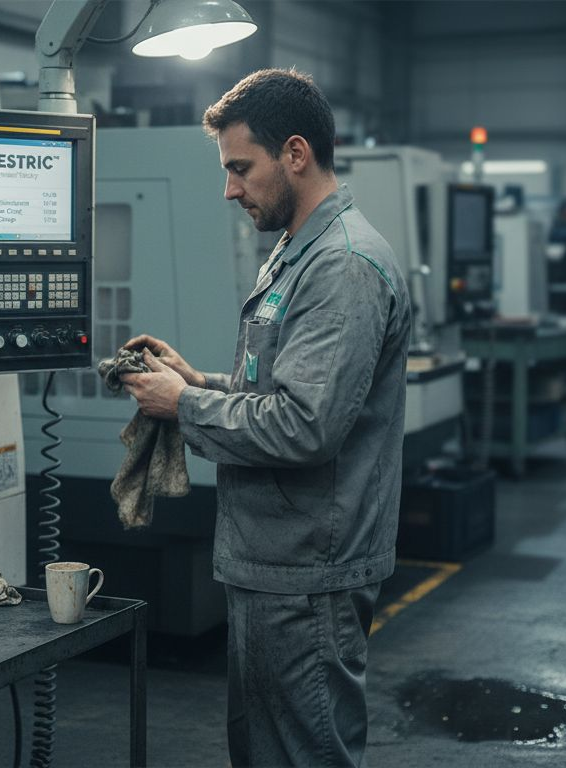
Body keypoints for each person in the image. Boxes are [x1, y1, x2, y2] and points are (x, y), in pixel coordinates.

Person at [119, 68, 411, 767]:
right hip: (275, 560)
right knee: (264, 753)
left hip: (309, 570)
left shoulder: (341, 266)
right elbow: (277, 390)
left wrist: (182, 404)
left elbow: (306, 427)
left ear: (297, 155)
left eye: (241, 168)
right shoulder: (297, 251)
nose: (230, 189)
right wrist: (199, 380)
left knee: (302, 756)